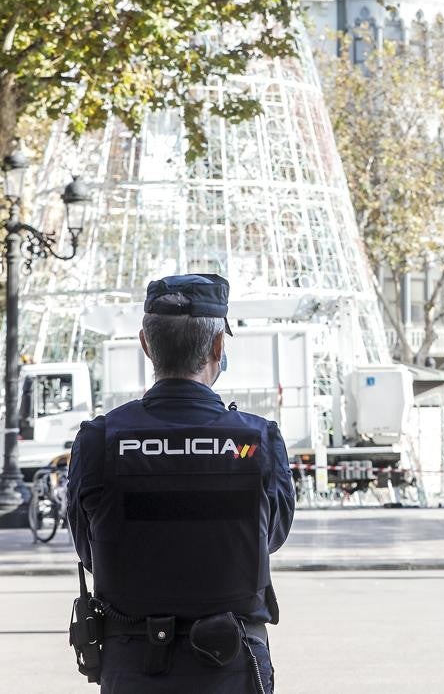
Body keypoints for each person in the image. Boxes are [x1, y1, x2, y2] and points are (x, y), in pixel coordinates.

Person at [67, 274, 295, 694]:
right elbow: (271, 537)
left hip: (132, 667)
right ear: (217, 348)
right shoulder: (258, 440)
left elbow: (88, 547)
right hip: (232, 664)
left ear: (146, 345)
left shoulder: (99, 440)